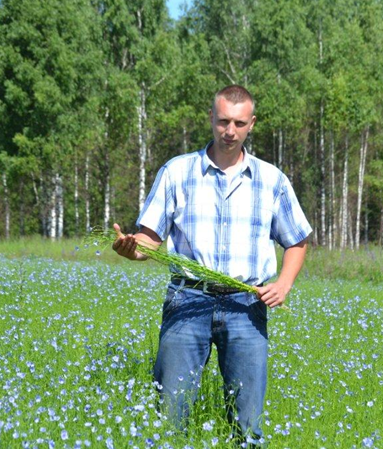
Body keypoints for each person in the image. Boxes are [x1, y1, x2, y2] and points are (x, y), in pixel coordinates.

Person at [112, 85, 311, 444]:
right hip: (188, 301)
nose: (229, 131)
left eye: (238, 123)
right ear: (211, 119)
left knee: (248, 423)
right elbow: (150, 241)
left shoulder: (272, 180)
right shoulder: (176, 172)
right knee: (170, 414)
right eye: (222, 121)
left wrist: (283, 284)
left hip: (246, 304)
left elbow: (296, 240)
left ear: (252, 123)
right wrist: (132, 248)